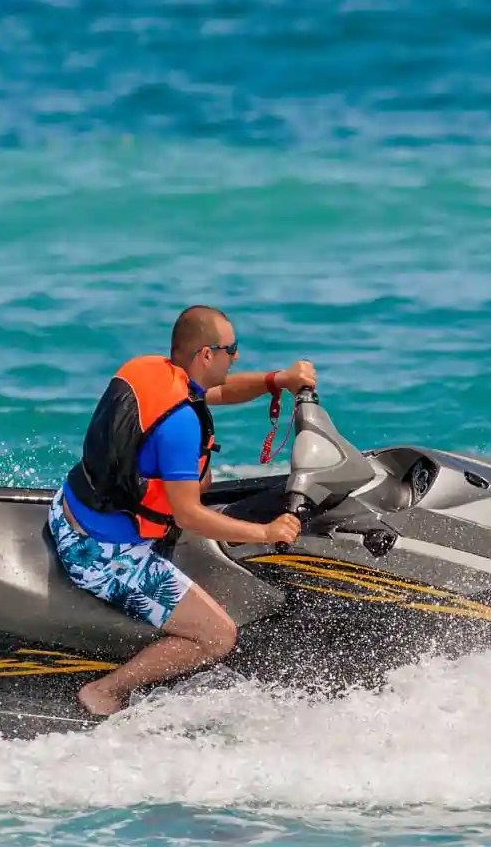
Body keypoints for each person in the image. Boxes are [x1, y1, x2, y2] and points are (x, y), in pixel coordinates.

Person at [49, 304, 314, 715]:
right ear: (207, 355)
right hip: (103, 553)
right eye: (232, 349)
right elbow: (189, 516)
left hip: (71, 508)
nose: (237, 356)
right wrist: (268, 533)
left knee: (200, 485)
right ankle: (105, 690)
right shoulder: (180, 425)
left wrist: (274, 381)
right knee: (217, 636)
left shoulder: (152, 371)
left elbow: (219, 392)